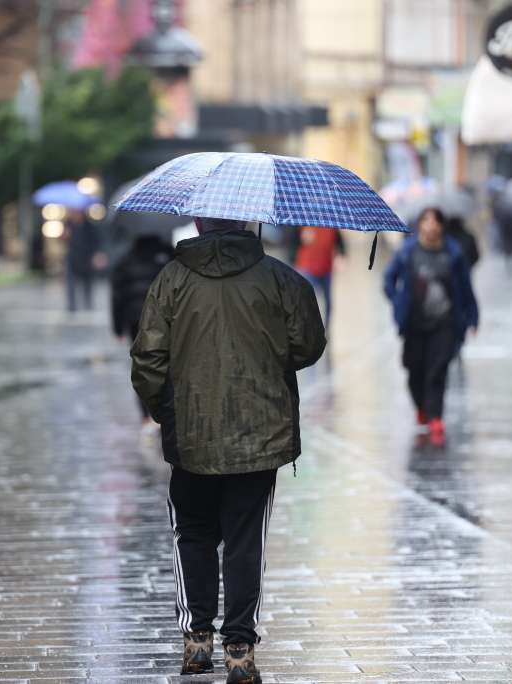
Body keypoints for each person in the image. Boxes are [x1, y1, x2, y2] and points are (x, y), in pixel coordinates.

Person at [131, 217, 325, 683]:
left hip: (190, 435)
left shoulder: (171, 279)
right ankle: (239, 648)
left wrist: (167, 412)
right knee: (245, 539)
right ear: (245, 219)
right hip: (259, 435)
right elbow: (309, 346)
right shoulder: (280, 278)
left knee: (192, 534)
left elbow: (148, 359)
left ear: (198, 222)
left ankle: (196, 639)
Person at [383, 207, 478, 444]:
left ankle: (436, 416)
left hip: (445, 322)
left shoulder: (453, 253)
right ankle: (421, 408)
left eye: (435, 221)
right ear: (419, 225)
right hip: (413, 323)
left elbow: (465, 288)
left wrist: (473, 317)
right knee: (414, 370)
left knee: (438, 369)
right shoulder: (407, 252)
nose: (431, 226)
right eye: (426, 221)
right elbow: (388, 280)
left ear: (442, 226)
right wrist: (398, 302)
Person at [110, 233, 175, 425]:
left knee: (143, 365)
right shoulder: (169, 256)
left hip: (136, 321)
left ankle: (147, 415)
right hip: (166, 320)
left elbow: (117, 297)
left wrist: (117, 327)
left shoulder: (125, 260)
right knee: (168, 365)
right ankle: (165, 410)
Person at [292, 226, 345, 330]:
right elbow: (291, 242)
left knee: (328, 302)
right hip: (307, 268)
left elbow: (339, 241)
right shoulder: (303, 223)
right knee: (308, 300)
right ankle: (308, 327)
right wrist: (300, 239)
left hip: (326, 268)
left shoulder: (331, 224)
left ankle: (326, 329)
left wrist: (341, 255)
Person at [64, 210, 100, 311]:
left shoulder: (90, 226)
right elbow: (65, 240)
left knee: (87, 282)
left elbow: (96, 241)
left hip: (86, 257)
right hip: (73, 257)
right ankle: (72, 305)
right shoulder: (68, 224)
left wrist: (96, 255)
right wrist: (65, 236)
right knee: (71, 282)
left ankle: (88, 302)